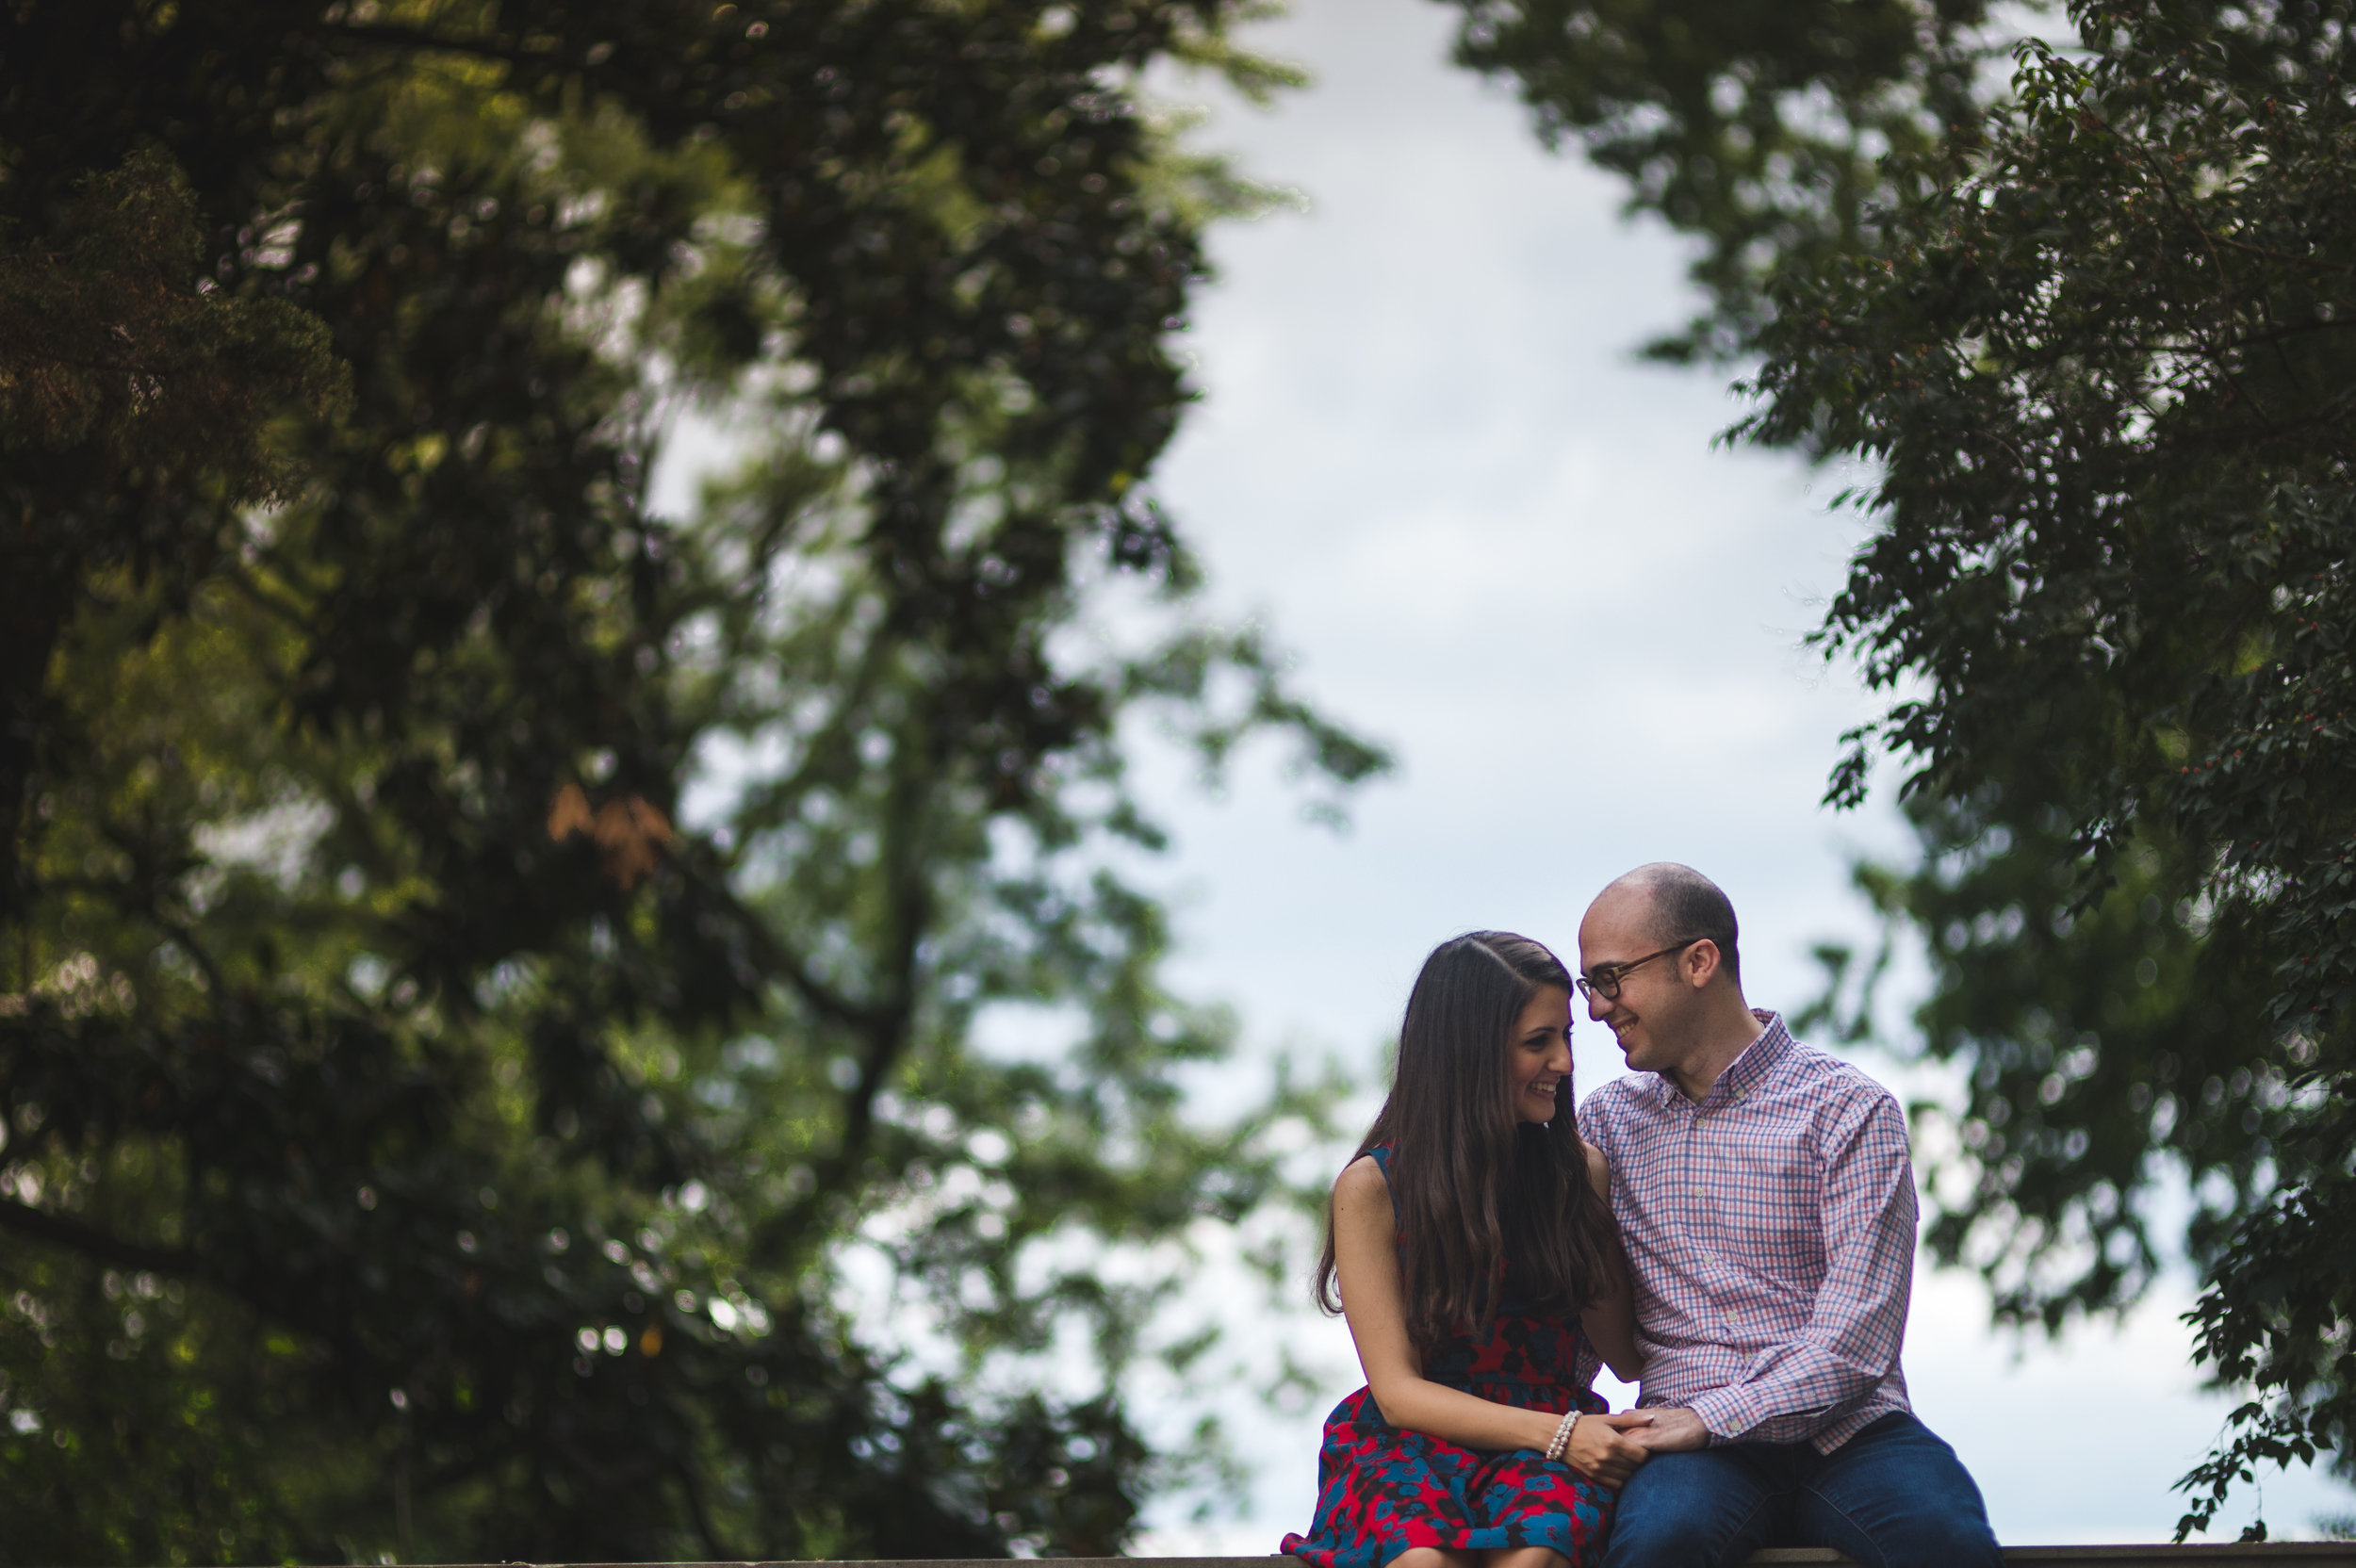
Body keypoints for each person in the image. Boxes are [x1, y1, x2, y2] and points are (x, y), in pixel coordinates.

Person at [1574, 863, 2004, 1568]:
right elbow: (1579, 1310)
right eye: (1590, 985)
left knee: (1946, 1541)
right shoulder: (1605, 1127)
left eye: (1611, 979)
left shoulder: (1847, 1109)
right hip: (1686, 1446)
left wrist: (1707, 1420)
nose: (1596, 1008)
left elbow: (1856, 1340)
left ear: (1699, 962)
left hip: (1851, 1432)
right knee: (1659, 1541)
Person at [1284, 931, 1653, 1568]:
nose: (1565, 1063)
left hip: (1545, 1446)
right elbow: (1398, 1393)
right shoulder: (1371, 1188)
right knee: (1421, 1560)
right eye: (1538, 1043)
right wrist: (1564, 1436)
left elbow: (1623, 1356)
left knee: (1536, 1556)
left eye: (1565, 1038)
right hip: (1410, 1441)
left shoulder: (1579, 1170)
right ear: (1468, 1054)